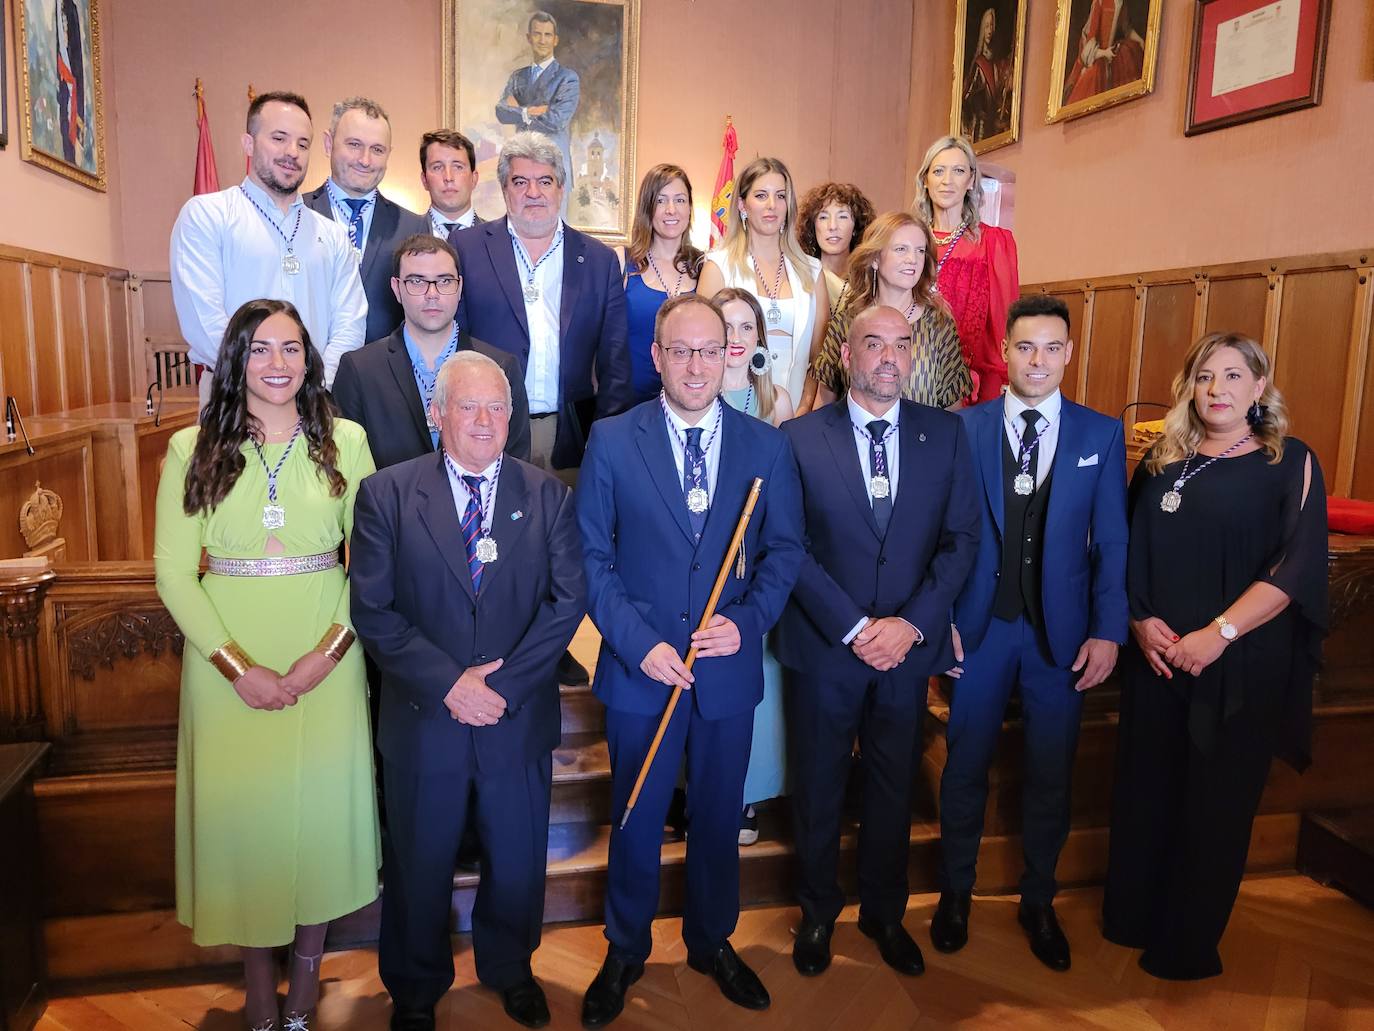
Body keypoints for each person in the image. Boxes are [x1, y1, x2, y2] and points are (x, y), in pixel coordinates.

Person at [576, 295, 804, 1027]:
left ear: (731, 354)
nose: (698, 364)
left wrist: (746, 622)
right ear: (657, 356)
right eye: (682, 350)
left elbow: (783, 553)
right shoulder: (612, 440)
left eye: (711, 350)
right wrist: (640, 644)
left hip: (724, 671)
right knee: (637, 812)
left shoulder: (765, 446)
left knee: (717, 815)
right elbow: (592, 559)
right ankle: (625, 945)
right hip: (642, 670)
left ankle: (711, 941)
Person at [154, 299, 379, 1031]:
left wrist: (325, 655)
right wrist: (236, 666)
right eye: (259, 350)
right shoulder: (193, 449)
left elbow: (371, 567)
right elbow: (173, 574)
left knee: (315, 820)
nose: (277, 364)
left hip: (327, 662)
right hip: (227, 675)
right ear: (234, 361)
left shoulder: (347, 440)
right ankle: (258, 996)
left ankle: (304, 997)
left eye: (290, 348)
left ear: (310, 359)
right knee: (249, 824)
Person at [350, 350, 586, 1031]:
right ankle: (417, 989)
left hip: (516, 718)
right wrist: (451, 683)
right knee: (419, 863)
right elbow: (374, 611)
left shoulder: (546, 496)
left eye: (496, 407)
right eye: (467, 406)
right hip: (426, 718)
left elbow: (567, 602)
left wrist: (504, 686)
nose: (483, 420)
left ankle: (511, 967)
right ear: (437, 413)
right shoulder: (387, 495)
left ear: (511, 417)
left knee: (516, 859)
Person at [1102, 333, 1328, 981]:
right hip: (1159, 658)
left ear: (1260, 388)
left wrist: (1218, 633)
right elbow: (1127, 549)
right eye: (1205, 376)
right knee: (1146, 793)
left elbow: (1297, 566)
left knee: (1215, 806)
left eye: (1234, 375)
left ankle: (1185, 945)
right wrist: (1141, 621)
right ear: (1188, 387)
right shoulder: (1159, 461)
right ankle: (1129, 921)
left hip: (1240, 664)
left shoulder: (1288, 462)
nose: (1218, 388)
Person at [778, 304, 979, 981]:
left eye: (901, 344)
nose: (889, 356)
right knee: (818, 783)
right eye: (874, 343)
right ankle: (816, 912)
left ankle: (885, 913)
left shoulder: (945, 435)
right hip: (825, 646)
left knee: (894, 785)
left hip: (906, 649)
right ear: (847, 356)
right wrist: (856, 626)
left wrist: (910, 625)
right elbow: (789, 547)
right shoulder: (799, 438)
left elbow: (960, 544)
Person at [933, 294, 1128, 972]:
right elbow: (943, 539)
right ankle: (954, 892)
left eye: (1051, 347)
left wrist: (1108, 630)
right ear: (1005, 352)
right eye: (1025, 347)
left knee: (1052, 772)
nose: (1037, 360)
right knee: (964, 769)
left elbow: (1112, 543)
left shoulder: (1100, 436)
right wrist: (942, 627)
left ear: (1068, 354)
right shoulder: (964, 429)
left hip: (1062, 639)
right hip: (979, 632)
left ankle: (1037, 900)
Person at [452, 131, 631, 477]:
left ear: (561, 189)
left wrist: (606, 441)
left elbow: (616, 366)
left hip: (569, 441)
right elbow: (454, 346)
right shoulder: (466, 248)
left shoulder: (598, 260)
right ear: (505, 190)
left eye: (545, 181)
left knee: (562, 530)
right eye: (520, 182)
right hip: (484, 431)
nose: (533, 193)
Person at [170, 91, 367, 394]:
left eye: (303, 144)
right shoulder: (208, 216)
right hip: (230, 395)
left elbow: (349, 323)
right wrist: (268, 382)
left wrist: (313, 383)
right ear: (248, 143)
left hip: (313, 397)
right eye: (279, 138)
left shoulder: (331, 235)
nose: (292, 152)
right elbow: (205, 322)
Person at [333, 234, 531, 468]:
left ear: (459, 288)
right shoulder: (360, 369)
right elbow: (345, 465)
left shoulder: (501, 366)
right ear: (397, 288)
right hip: (388, 503)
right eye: (417, 281)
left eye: (444, 281)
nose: (432, 294)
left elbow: (516, 466)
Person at [717, 287, 793, 844]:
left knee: (757, 671)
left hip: (756, 557)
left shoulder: (778, 402)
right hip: (703, 557)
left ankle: (746, 794)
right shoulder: (690, 391)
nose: (737, 339)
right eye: (727, 327)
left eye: (748, 328)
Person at [804, 212, 971, 413]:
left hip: (921, 442)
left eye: (920, 251)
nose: (913, 259)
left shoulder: (939, 326)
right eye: (901, 249)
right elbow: (823, 409)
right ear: (875, 259)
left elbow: (953, 417)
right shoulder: (845, 323)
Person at [698, 157, 829, 411]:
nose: (772, 205)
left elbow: (819, 358)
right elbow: (704, 349)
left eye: (780, 196)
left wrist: (803, 408)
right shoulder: (718, 266)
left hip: (797, 414)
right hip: (731, 410)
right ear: (742, 205)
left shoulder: (813, 271)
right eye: (761, 195)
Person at [304, 97, 429, 343]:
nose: (365, 160)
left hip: (382, 375)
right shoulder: (297, 214)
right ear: (328, 143)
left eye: (377, 149)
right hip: (305, 372)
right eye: (354, 145)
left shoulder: (413, 226)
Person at [913, 135, 1019, 403]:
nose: (947, 180)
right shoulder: (906, 239)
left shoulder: (993, 243)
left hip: (969, 386)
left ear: (971, 181)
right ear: (925, 180)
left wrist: (992, 393)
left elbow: (1001, 328)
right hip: (911, 377)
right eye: (938, 171)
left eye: (958, 171)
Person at [618, 163, 703, 402]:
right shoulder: (622, 262)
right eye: (661, 200)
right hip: (628, 402)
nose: (671, 210)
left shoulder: (705, 267)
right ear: (648, 207)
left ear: (689, 208)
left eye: (680, 200)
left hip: (686, 401)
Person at [495, 10, 580, 210]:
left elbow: (556, 119)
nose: (542, 40)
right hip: (520, 168)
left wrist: (519, 112)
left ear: (555, 40)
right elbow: (501, 111)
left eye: (547, 35)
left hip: (554, 170)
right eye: (537, 34)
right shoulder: (518, 77)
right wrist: (529, 112)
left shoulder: (567, 78)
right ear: (529, 38)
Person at [796, 182, 876, 315]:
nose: (832, 226)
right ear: (813, 227)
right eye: (823, 217)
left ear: (856, 227)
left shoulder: (869, 280)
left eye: (842, 216)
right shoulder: (803, 276)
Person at [1063, 0, 1146, 105]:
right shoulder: (1100, 3)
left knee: (1129, 51)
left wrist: (1140, 40)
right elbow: (1090, 40)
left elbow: (1127, 29)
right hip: (1097, 58)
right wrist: (1104, 53)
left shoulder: (1121, 3)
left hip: (1110, 56)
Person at [420, 129, 483, 238]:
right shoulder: (404, 236)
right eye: (437, 167)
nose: (448, 177)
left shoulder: (500, 240)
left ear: (474, 178)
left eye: (458, 167)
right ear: (424, 180)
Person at [962, 6, 1012, 140]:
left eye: (992, 26)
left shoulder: (998, 65)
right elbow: (968, 95)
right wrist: (978, 107)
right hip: (981, 126)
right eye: (987, 26)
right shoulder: (979, 63)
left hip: (994, 126)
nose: (990, 30)